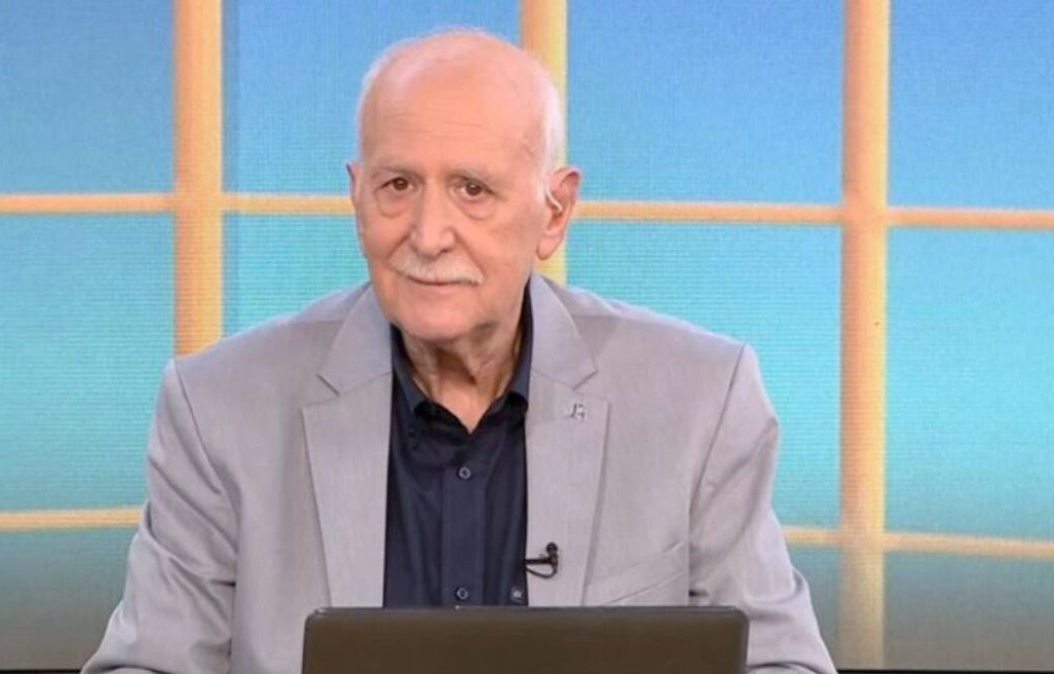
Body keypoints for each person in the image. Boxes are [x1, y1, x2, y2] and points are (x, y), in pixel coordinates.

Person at [84, 29, 836, 674]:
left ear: (555, 212)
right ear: (357, 197)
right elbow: (148, 663)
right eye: (398, 185)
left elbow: (783, 663)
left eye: (472, 189)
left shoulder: (700, 400)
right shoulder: (218, 408)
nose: (429, 233)